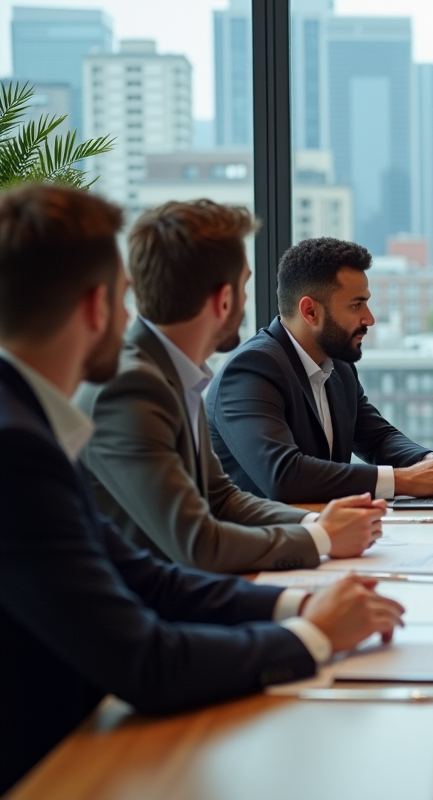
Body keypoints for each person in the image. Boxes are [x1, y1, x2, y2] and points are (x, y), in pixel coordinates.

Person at [0, 184, 404, 793]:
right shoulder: (20, 449)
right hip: (54, 765)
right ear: (95, 308)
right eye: (123, 293)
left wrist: (296, 604)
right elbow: (147, 660)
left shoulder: (30, 423)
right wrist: (314, 634)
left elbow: (142, 573)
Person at [75, 202, 388, 574]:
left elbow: (221, 499)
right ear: (224, 300)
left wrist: (316, 525)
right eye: (244, 286)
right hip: (150, 610)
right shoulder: (131, 387)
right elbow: (198, 544)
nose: (245, 302)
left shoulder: (170, 373)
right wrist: (322, 539)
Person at [207, 238, 433, 504]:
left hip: (329, 533)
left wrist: (432, 462)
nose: (369, 319)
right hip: (264, 541)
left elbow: (378, 439)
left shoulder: (338, 367)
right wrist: (402, 480)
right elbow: (283, 476)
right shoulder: (250, 370)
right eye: (356, 305)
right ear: (310, 311)